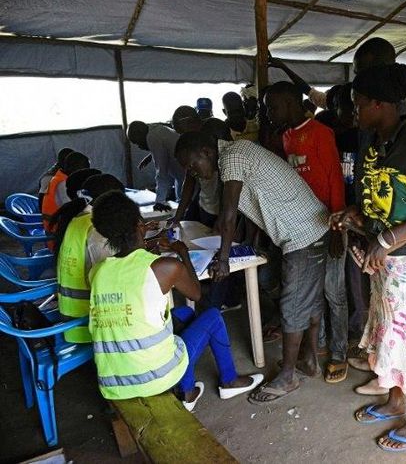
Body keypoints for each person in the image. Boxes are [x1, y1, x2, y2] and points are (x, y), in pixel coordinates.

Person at [332, 63, 406, 452]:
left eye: (359, 103)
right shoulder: (374, 140)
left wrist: (386, 239)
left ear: (381, 104)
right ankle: (396, 399)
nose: (354, 111)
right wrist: (357, 216)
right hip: (385, 258)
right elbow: (385, 198)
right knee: (390, 331)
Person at [174, 132, 330, 404]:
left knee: (292, 306)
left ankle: (288, 376)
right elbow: (252, 206)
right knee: (309, 301)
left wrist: (222, 260)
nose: (193, 173)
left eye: (192, 165)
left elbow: (229, 213)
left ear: (206, 152)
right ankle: (309, 360)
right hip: (308, 230)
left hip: (302, 235)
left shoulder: (232, 157)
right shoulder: (238, 154)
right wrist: (249, 243)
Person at [88, 190, 263, 409]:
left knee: (185, 314)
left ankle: (188, 390)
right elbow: (197, 294)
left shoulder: (98, 272)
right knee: (212, 316)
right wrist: (183, 253)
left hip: (113, 382)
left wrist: (147, 247)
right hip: (154, 377)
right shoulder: (163, 268)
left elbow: (127, 268)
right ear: (140, 225)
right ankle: (229, 381)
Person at [264, 81, 348, 384]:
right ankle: (318, 346)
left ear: (290, 103)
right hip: (303, 229)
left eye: (272, 107)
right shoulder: (285, 136)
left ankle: (338, 352)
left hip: (329, 222)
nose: (269, 114)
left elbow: (335, 179)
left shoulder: (320, 133)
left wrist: (338, 227)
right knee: (311, 293)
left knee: (332, 292)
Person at [269, 38, 406, 136]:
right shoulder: (356, 100)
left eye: (362, 73)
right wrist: (284, 68)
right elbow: (313, 94)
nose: (354, 114)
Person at [52, 171, 124, 343]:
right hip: (87, 326)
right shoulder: (97, 229)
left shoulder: (78, 220)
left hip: (70, 317)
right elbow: (112, 280)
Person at [170, 106, 222, 228]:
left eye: (183, 132)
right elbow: (189, 182)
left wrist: (223, 218)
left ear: (192, 123)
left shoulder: (215, 131)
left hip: (222, 208)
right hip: (206, 203)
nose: (184, 138)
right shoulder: (192, 150)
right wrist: (179, 215)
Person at [127, 121, 185, 211]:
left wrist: (159, 202)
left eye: (138, 142)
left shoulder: (152, 137)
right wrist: (151, 156)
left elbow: (161, 173)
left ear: (140, 134)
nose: (139, 146)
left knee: (185, 209)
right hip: (182, 176)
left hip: (185, 176)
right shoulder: (155, 129)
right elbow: (164, 147)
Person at [42, 151, 90, 234]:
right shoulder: (62, 185)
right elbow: (73, 211)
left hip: (57, 224)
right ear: (77, 170)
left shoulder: (60, 178)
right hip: (56, 231)